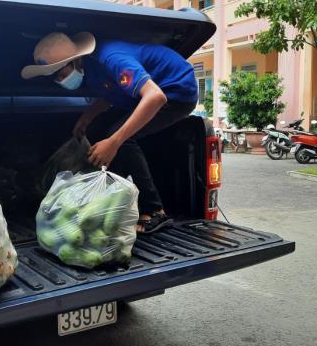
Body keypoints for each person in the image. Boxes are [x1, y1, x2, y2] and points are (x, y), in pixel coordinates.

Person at [21, 32, 197, 234]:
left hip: (176, 91)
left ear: (76, 60)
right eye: (56, 79)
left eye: (61, 74)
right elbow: (112, 92)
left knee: (121, 138)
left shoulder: (111, 58)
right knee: (99, 130)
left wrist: (114, 142)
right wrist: (88, 116)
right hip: (145, 96)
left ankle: (155, 210)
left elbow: (155, 96)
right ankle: (105, 194)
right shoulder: (90, 69)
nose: (60, 81)